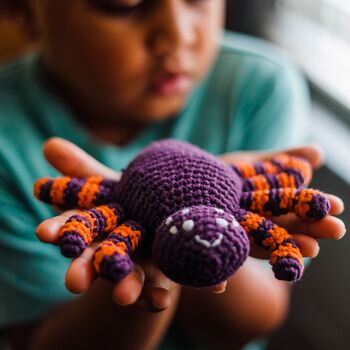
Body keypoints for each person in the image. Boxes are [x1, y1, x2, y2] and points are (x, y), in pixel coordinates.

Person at [0, 1, 346, 349]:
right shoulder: (7, 139)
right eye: (123, 6)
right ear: (23, 12)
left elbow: (253, 318)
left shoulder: (259, 85)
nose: (178, 34)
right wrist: (142, 270)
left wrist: (192, 244)